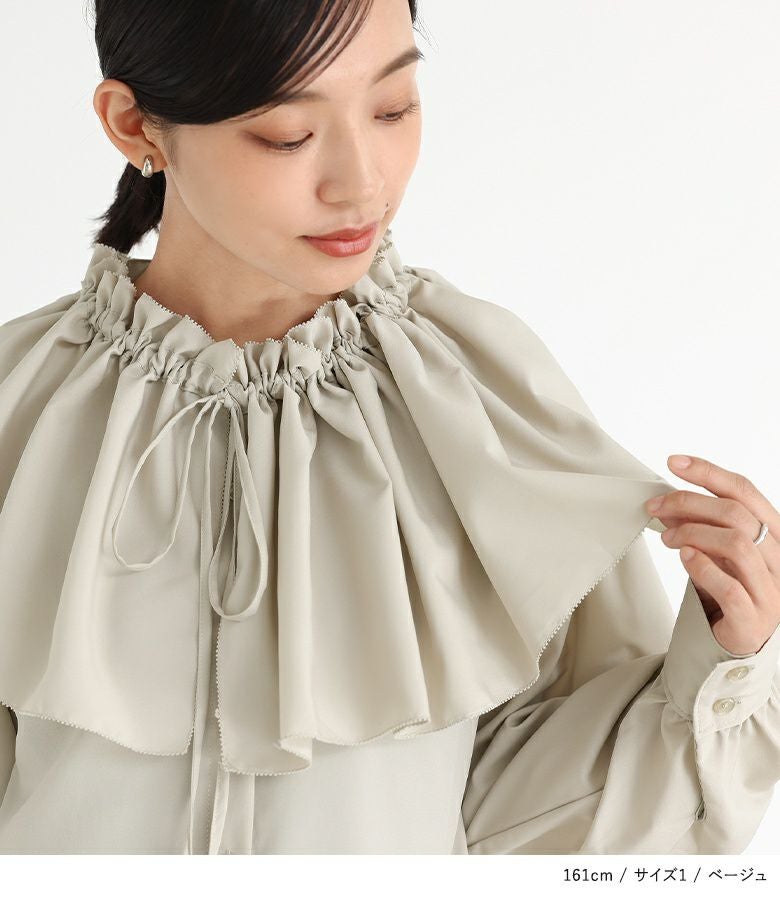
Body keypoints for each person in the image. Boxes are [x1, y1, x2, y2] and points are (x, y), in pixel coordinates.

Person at [0, 0, 778, 855]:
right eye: (289, 134)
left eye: (392, 108)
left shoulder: (471, 394)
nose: (363, 183)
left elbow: (529, 824)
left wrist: (724, 659)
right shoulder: (20, 404)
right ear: (134, 123)